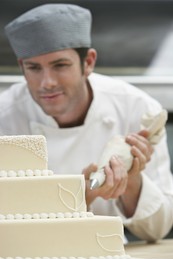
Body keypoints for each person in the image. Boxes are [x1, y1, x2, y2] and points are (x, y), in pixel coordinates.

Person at [1, 3, 173, 241]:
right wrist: (81, 196)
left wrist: (132, 181)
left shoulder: (137, 108)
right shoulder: (4, 116)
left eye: (60, 65)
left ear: (88, 62)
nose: (47, 82)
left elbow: (158, 230)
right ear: (22, 67)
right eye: (34, 68)